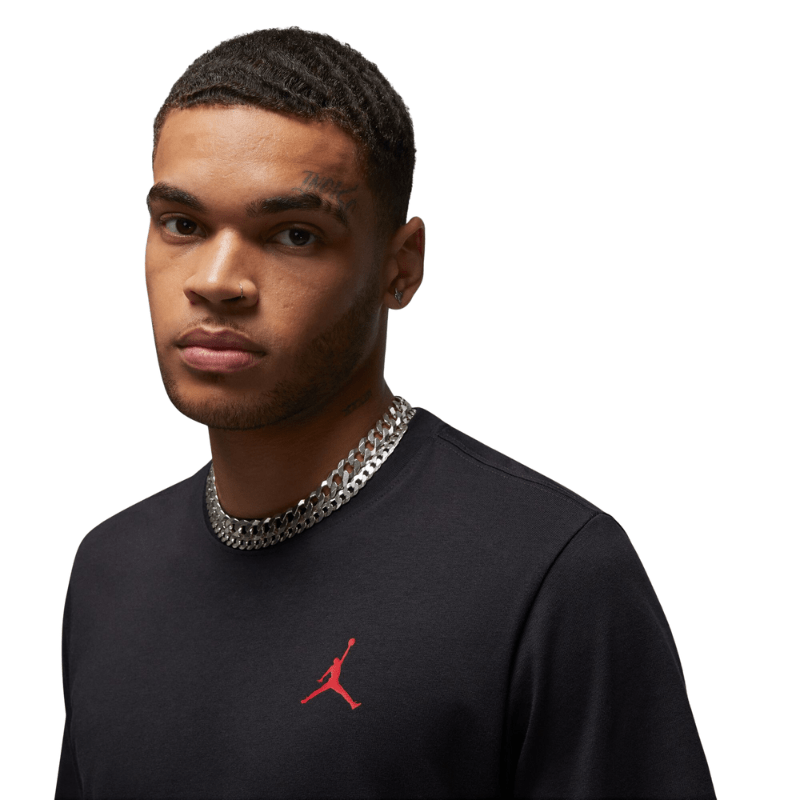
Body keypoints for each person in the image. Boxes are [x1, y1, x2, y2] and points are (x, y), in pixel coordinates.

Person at [55, 27, 716, 800]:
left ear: (400, 268)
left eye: (294, 234)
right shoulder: (109, 572)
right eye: (182, 224)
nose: (218, 280)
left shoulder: (553, 578)